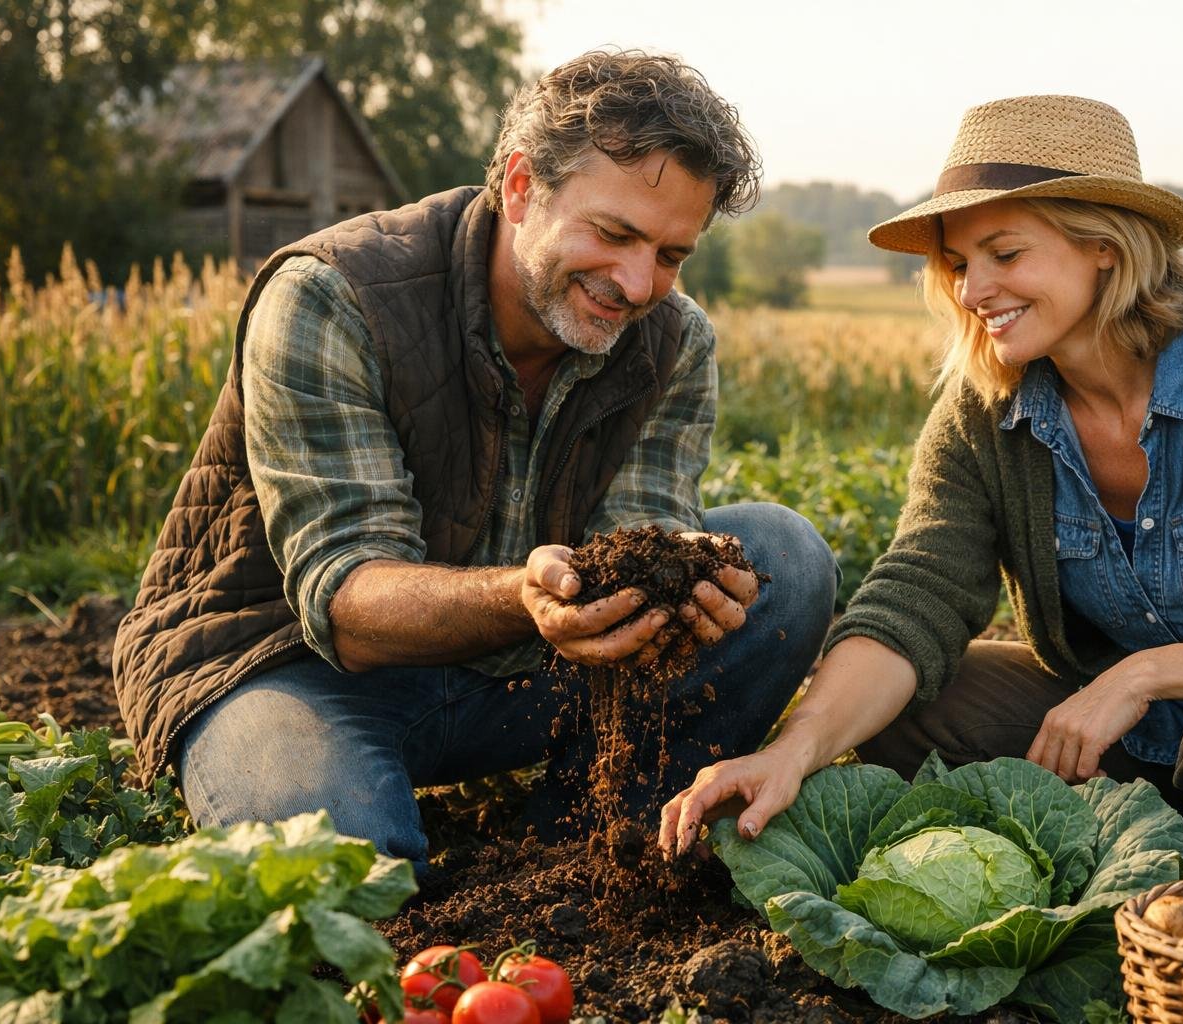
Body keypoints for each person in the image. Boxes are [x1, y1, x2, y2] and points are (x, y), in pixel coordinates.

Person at [660, 95, 1183, 866]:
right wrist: (799, 745)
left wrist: (1141, 675)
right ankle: (1161, 864)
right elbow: (915, 598)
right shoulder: (983, 412)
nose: (974, 289)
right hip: (1156, 739)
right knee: (911, 702)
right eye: (961, 263)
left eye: (1004, 253)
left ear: (1104, 249)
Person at [112, 50, 837, 872]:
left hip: (523, 672)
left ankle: (588, 845)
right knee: (344, 869)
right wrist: (525, 598)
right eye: (614, 233)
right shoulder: (332, 296)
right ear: (523, 187)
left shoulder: (672, 339)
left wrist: (681, 585)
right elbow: (345, 597)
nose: (638, 284)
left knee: (788, 559)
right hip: (289, 665)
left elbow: (636, 535)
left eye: (671, 255)